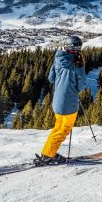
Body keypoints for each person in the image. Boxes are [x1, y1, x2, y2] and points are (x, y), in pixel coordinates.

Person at [35, 36, 86, 165]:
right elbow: (81, 86)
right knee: (63, 130)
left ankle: (48, 151)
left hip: (57, 101)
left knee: (58, 128)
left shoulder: (58, 59)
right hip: (69, 103)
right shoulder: (77, 64)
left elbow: (51, 78)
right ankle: (48, 154)